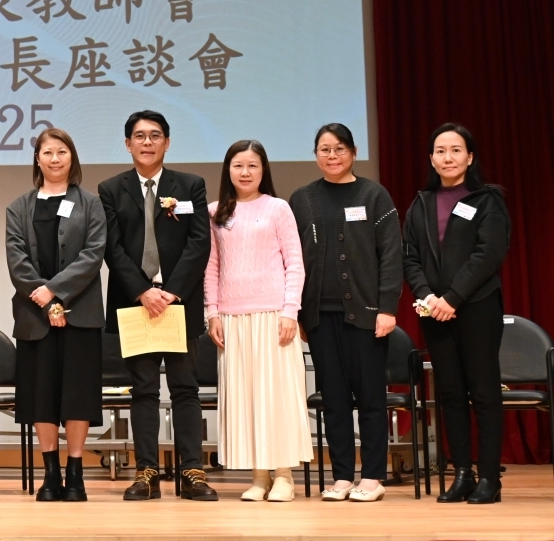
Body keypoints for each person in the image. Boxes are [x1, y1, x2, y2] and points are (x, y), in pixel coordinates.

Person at [100, 110, 216, 501]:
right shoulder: (111, 189)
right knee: (143, 389)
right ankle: (146, 473)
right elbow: (112, 248)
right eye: (139, 136)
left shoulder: (190, 185)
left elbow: (199, 243)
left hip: (178, 303)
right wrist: (142, 291)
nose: (147, 142)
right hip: (135, 303)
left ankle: (192, 472)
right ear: (127, 143)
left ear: (167, 142)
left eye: (155, 135)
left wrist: (172, 291)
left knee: (185, 388)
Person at [289, 123, 401, 503]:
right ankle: (341, 476)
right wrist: (299, 313)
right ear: (315, 155)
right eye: (324, 149)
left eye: (339, 148)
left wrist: (387, 308)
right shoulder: (302, 199)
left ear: (353, 152)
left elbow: (391, 256)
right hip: (320, 317)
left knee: (370, 398)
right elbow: (293, 259)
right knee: (334, 401)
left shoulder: (374, 195)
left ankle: (372, 476)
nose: (332, 156)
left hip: (367, 316)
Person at [402, 123, 510, 505]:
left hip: (477, 306)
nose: (448, 157)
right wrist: (428, 296)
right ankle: (462, 473)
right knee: (449, 393)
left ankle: (489, 478)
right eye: (440, 151)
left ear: (470, 157)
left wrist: (453, 297)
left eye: (456, 150)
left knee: (483, 392)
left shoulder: (487, 199)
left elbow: (488, 254)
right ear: (431, 159)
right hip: (434, 311)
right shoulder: (420, 204)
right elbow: (409, 257)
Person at [3, 127, 107, 503]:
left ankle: (75, 473)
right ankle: (50, 473)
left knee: (78, 395)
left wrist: (56, 293)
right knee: (41, 395)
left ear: (72, 157)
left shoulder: (91, 203)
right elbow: (17, 261)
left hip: (81, 313)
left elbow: (93, 254)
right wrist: (48, 303)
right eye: (47, 152)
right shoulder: (19, 207)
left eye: (62, 151)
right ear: (37, 159)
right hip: (35, 316)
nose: (55, 158)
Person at [205, 140, 311, 502]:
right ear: (228, 170)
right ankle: (259, 476)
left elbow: (295, 263)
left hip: (273, 316)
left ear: (263, 169)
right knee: (245, 399)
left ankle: (284, 476)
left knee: (277, 396)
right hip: (232, 319)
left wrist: (290, 311)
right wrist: (212, 312)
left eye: (252, 165)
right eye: (238, 165)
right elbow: (211, 268)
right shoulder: (216, 212)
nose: (245, 172)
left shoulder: (278, 208)